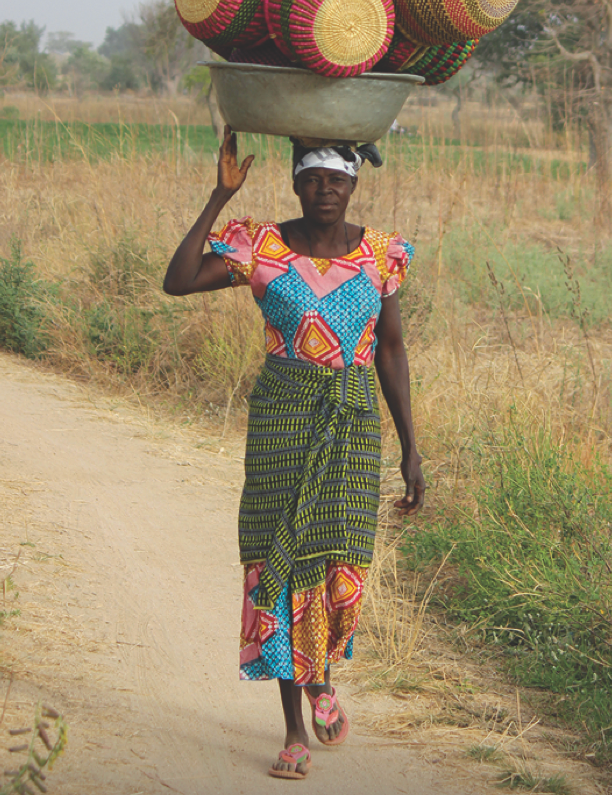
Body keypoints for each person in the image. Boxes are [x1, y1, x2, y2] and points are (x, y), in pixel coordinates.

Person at [163, 125, 425, 780]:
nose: (324, 191)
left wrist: (412, 448)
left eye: (336, 179)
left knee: (336, 557)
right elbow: (179, 279)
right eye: (311, 179)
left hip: (354, 421)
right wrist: (219, 197)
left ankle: (320, 675)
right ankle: (291, 731)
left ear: (354, 181)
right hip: (283, 417)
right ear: (295, 183)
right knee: (278, 557)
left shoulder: (382, 256)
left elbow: (390, 350)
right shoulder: (264, 246)